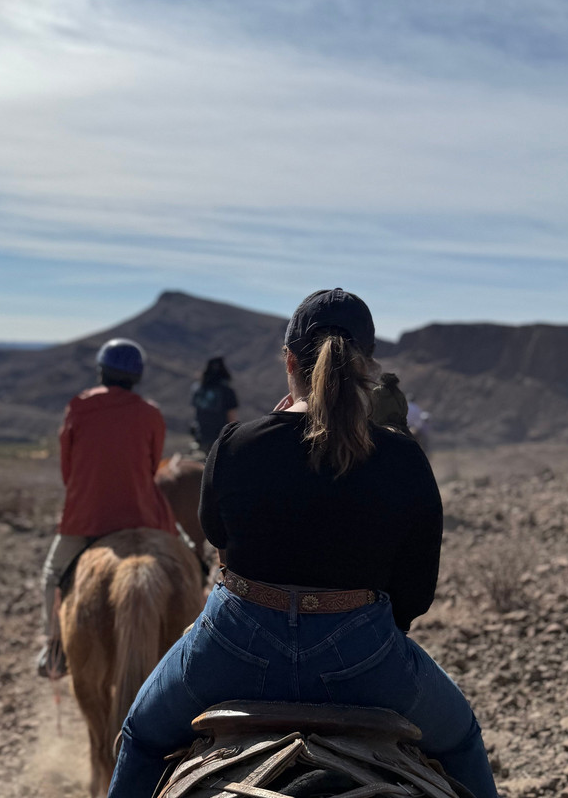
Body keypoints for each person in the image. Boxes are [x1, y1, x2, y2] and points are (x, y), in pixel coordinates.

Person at [107, 289, 497, 798]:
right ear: (368, 368)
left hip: (233, 646)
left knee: (141, 736)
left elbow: (219, 541)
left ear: (289, 361)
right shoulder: (403, 458)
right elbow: (415, 595)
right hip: (365, 657)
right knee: (462, 739)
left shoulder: (236, 444)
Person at [36, 338, 178, 679]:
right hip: (139, 514)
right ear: (137, 377)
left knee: (54, 575)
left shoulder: (79, 407)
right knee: (186, 562)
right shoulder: (151, 413)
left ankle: (55, 652)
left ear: (102, 371)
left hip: (86, 517)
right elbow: (150, 466)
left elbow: (68, 470)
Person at [190, 356, 239, 453]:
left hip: (201, 436)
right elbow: (231, 418)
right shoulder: (227, 391)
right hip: (221, 437)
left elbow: (196, 412)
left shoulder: (197, 389)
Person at [370, 371, 412, 435]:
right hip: (398, 425)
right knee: (413, 443)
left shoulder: (376, 391)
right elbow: (405, 411)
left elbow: (370, 408)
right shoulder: (400, 394)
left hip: (378, 424)